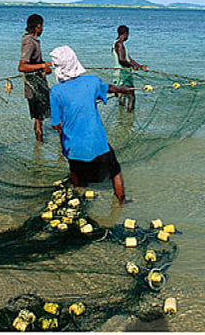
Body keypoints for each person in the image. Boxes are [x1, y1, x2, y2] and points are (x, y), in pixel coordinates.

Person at [50, 45, 133, 204]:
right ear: (75, 62)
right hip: (97, 144)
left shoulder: (55, 91)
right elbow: (111, 88)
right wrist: (125, 89)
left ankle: (78, 201)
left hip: (71, 148)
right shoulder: (92, 81)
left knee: (75, 171)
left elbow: (56, 124)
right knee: (115, 171)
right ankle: (121, 203)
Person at [18, 14, 52, 142]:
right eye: (42, 26)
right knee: (47, 118)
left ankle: (38, 151)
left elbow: (33, 63)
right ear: (38, 27)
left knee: (39, 120)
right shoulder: (30, 42)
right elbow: (22, 66)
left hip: (35, 86)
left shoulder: (32, 40)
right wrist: (42, 65)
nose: (43, 29)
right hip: (34, 88)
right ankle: (59, 151)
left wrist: (45, 64)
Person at [111, 25, 148, 111]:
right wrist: (132, 66)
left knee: (122, 94)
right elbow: (121, 60)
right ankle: (129, 119)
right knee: (131, 96)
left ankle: (121, 118)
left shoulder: (119, 44)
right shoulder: (119, 44)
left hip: (122, 73)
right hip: (122, 74)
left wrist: (140, 66)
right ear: (125, 34)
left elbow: (129, 59)